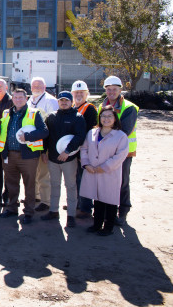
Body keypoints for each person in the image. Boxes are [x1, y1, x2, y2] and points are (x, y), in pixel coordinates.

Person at [0, 88, 49, 225]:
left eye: (21, 97)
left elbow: (44, 132)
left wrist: (27, 136)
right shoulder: (7, 113)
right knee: (11, 184)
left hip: (28, 156)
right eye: (15, 97)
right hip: (9, 155)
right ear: (12, 99)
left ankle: (28, 212)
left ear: (26, 99)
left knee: (29, 185)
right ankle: (12, 208)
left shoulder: (34, 113)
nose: (18, 100)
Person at [80, 106, 129, 236]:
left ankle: (108, 228)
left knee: (110, 200)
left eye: (109, 116)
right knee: (97, 199)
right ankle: (96, 224)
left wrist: (104, 167)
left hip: (109, 173)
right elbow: (84, 149)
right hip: (92, 171)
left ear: (114, 118)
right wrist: (86, 164)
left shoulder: (120, 136)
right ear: (99, 118)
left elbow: (120, 155)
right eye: (103, 116)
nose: (106, 119)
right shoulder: (92, 133)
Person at [40, 91, 86, 228]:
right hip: (53, 158)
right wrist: (44, 152)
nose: (64, 102)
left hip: (69, 159)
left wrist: (67, 151)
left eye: (67, 100)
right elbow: (46, 136)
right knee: (54, 185)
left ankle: (71, 215)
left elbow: (79, 137)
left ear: (71, 101)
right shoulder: (51, 117)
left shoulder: (78, 117)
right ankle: (53, 211)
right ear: (58, 102)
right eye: (61, 100)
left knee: (71, 186)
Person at [98, 75, 139, 226]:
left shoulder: (129, 108)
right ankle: (109, 211)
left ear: (120, 90)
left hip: (124, 152)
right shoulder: (102, 106)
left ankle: (123, 212)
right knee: (107, 182)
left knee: (122, 181)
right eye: (108, 89)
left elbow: (125, 131)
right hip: (106, 151)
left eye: (114, 89)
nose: (111, 92)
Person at [27, 76, 59, 213]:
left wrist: (47, 148)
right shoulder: (30, 100)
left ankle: (46, 201)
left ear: (45, 88)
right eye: (34, 86)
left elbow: (53, 125)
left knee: (44, 174)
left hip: (44, 143)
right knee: (33, 172)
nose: (36, 88)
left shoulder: (50, 101)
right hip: (32, 142)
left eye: (39, 86)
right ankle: (35, 196)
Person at [71, 80, 98, 219]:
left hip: (84, 150)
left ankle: (86, 208)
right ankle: (78, 203)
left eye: (82, 92)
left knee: (84, 179)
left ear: (87, 94)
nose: (79, 95)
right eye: (76, 92)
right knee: (76, 178)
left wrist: (84, 152)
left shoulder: (90, 109)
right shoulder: (73, 108)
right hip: (74, 150)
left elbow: (90, 132)